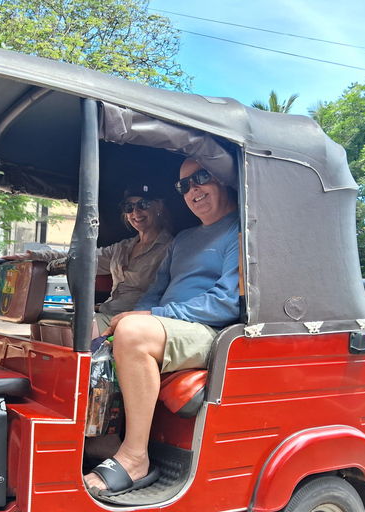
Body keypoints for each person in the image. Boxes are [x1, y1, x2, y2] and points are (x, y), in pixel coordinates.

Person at [84, 157, 240, 498]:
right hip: (170, 324)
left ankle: (136, 458)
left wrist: (148, 318)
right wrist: (136, 314)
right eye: (184, 185)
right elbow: (155, 291)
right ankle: (102, 436)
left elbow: (228, 302)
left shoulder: (240, 230)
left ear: (224, 180)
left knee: (134, 332)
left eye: (201, 178)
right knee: (96, 328)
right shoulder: (183, 239)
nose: (193, 189)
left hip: (212, 331)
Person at [3, 183, 174, 331]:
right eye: (129, 207)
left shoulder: (171, 248)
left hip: (134, 320)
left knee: (72, 326)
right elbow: (80, 257)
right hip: (107, 312)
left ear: (158, 207)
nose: (135, 212)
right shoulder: (123, 247)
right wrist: (32, 256)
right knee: (43, 319)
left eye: (142, 204)